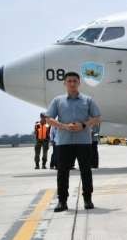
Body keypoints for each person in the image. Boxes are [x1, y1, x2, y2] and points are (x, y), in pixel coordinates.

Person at [43, 72, 101, 212]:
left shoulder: (88, 100)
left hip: (84, 141)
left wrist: (84, 125)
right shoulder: (58, 101)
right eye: (69, 81)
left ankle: (88, 199)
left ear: (79, 83)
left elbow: (97, 117)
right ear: (65, 83)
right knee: (62, 172)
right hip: (64, 142)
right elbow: (48, 118)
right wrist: (64, 126)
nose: (72, 83)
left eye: (75, 81)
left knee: (86, 171)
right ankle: (62, 201)